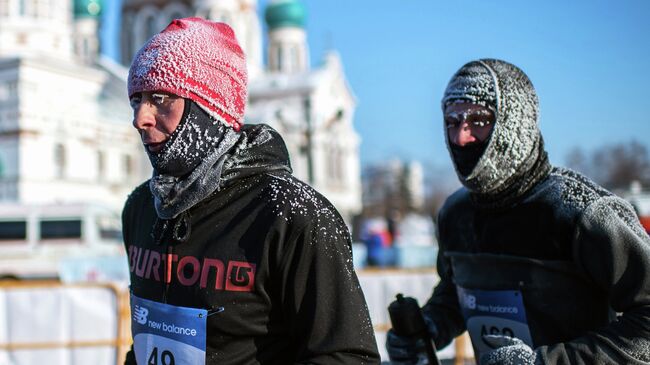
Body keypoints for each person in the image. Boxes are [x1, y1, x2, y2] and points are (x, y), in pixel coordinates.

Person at [122, 17, 379, 365]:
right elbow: (150, 339)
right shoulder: (143, 208)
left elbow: (347, 357)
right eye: (136, 100)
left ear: (208, 107)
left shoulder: (292, 216)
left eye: (161, 98)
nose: (141, 118)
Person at [386, 58, 650, 364]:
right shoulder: (456, 214)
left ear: (515, 123)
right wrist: (431, 325)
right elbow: (459, 291)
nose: (461, 137)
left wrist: (545, 362)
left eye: (479, 121)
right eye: (453, 121)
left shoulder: (583, 213)